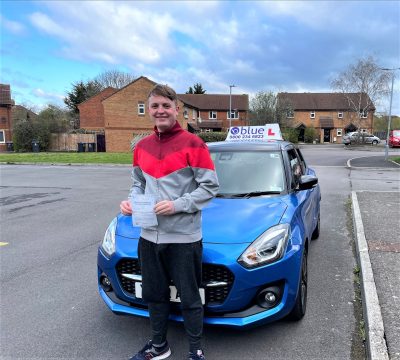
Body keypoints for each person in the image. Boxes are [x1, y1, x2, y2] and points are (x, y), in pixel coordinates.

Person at [120, 84, 219, 360]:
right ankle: (159, 346)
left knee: (190, 297)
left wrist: (177, 205)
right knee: (154, 295)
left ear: (177, 109)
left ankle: (195, 350)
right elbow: (138, 183)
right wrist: (131, 201)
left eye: (166, 105)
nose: (160, 111)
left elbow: (210, 187)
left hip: (184, 239)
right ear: (148, 111)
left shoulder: (193, 143)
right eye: (154, 106)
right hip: (149, 236)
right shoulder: (142, 147)